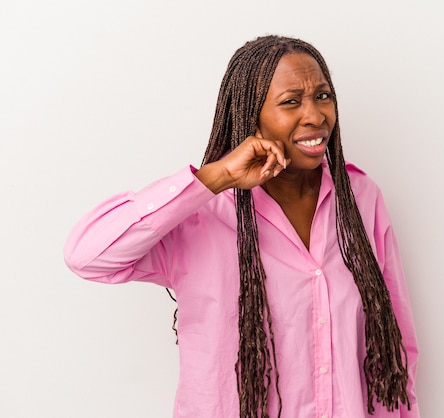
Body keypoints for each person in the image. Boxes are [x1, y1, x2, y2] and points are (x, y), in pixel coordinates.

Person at [64, 35, 419, 418]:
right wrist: (213, 178)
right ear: (251, 117)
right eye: (291, 102)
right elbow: (88, 255)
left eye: (323, 96)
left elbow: (394, 351)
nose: (316, 116)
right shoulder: (201, 214)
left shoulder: (361, 200)